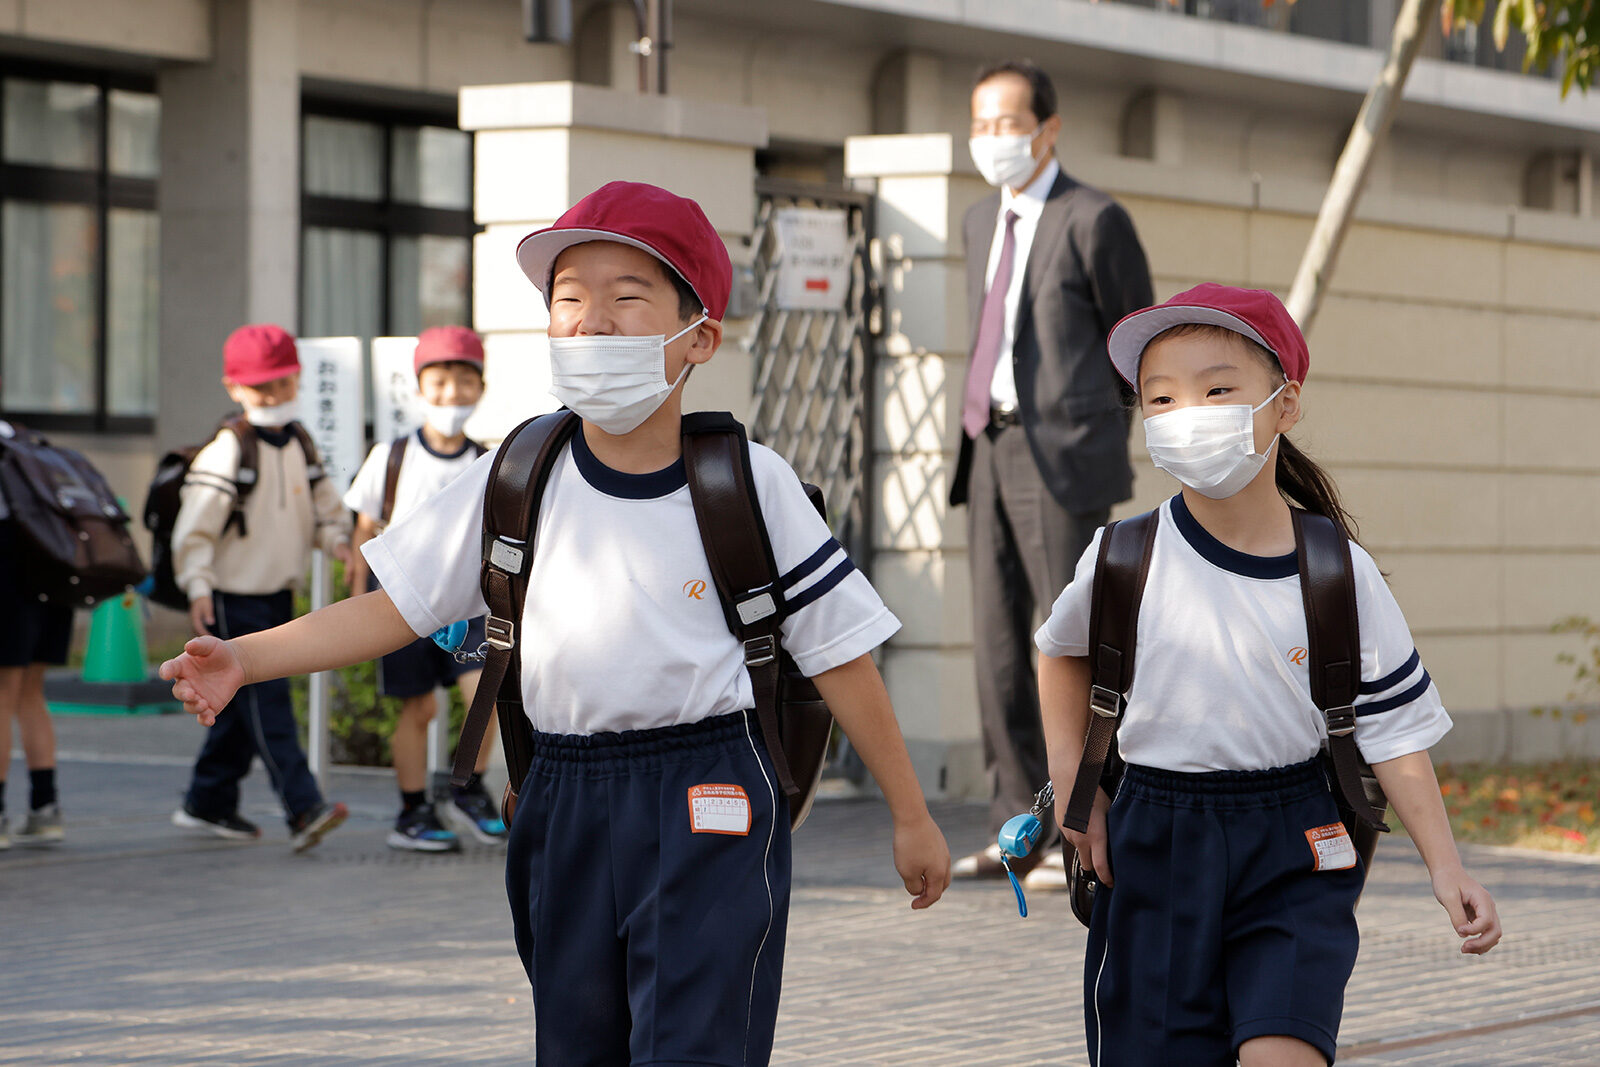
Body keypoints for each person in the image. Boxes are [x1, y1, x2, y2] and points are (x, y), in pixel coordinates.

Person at [160, 181, 951, 1065]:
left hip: (707, 789)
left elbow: (839, 653)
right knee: (575, 1043)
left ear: (699, 338)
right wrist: (241, 656)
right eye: (569, 299)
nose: (591, 322)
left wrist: (911, 813)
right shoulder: (519, 472)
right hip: (559, 792)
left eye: (627, 297)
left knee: (698, 1044)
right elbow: (394, 608)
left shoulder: (749, 483)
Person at [1035, 284, 1502, 1066]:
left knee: (1284, 1046)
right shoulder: (1123, 554)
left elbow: (1393, 729)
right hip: (1155, 837)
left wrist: (1446, 866)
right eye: (1161, 398)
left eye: (1218, 389)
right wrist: (1078, 787)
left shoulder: (1335, 570)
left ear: (1285, 405)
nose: (1190, 413)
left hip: (1295, 839)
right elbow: (1059, 651)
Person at [951, 59, 1154, 887]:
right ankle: (1020, 832)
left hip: (1065, 460)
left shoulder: (1094, 219)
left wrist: (1087, 427)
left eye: (1006, 124)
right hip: (986, 448)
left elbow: (1135, 347)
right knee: (997, 650)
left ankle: (1087, 822)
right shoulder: (975, 221)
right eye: (980, 124)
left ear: (1048, 129)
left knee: (1074, 648)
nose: (991, 140)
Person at [169, 324, 353, 852]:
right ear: (235, 388)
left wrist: (340, 541)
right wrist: (198, 586)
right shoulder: (228, 450)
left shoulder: (299, 442)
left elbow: (325, 510)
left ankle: (206, 801)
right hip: (231, 596)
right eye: (260, 388)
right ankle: (304, 808)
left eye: (282, 384)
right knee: (267, 702)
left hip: (275, 595)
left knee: (242, 707)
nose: (273, 397)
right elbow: (194, 530)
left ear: (296, 379)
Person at [344, 326, 503, 852]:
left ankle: (467, 789)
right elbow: (365, 529)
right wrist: (355, 593)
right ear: (419, 387)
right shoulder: (390, 457)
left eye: (464, 381)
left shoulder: (489, 460)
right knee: (420, 710)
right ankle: (412, 812)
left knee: (486, 694)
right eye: (439, 381)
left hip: (469, 603)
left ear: (480, 388)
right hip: (400, 600)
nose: (451, 393)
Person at [0, 400, 68, 850]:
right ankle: (45, 809)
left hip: (7, 574)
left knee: (2, 695)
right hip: (51, 574)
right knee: (29, 693)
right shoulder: (24, 440)